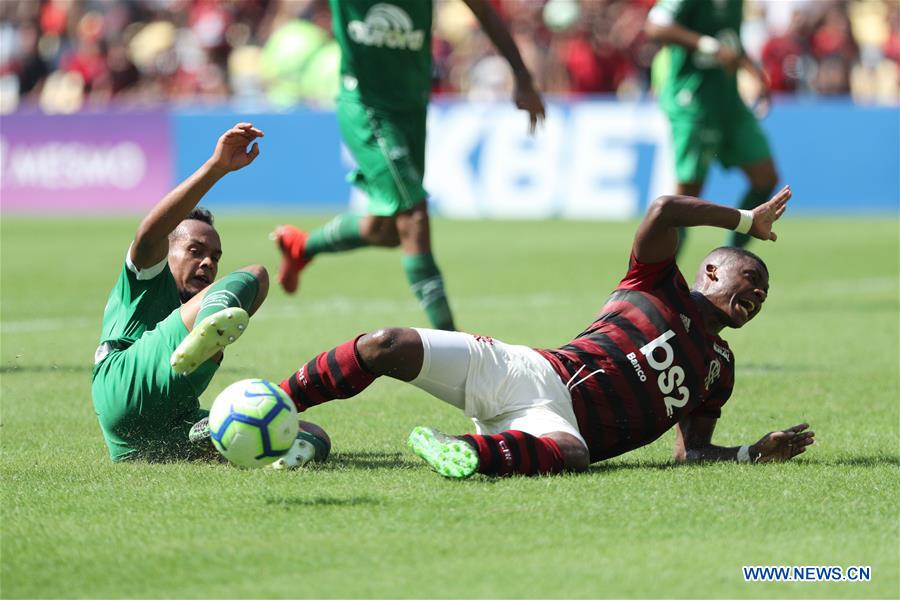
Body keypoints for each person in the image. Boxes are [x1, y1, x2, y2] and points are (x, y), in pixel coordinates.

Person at [254, 186, 814, 478]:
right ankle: (274, 404)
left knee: (572, 454)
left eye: (764, 293)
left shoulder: (720, 370)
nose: (758, 294)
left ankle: (464, 452)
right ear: (711, 271)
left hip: (553, 426)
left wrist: (749, 453)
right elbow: (665, 208)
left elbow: (689, 455)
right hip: (531, 371)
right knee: (385, 345)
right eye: (750, 277)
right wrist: (746, 223)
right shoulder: (654, 283)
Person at [273, 0, 546, 331]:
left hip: (412, 107)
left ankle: (303, 246)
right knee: (414, 218)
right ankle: (454, 347)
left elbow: (485, 12)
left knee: (385, 230)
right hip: (366, 107)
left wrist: (522, 76)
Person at [91, 123, 329, 465]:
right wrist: (215, 169)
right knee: (256, 275)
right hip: (125, 381)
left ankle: (270, 455)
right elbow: (148, 234)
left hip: (153, 434)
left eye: (214, 258)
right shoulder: (144, 279)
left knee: (312, 434)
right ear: (168, 252)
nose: (207, 263)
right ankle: (206, 331)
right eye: (195, 250)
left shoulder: (198, 297)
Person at [645, 0, 779, 250]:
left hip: (728, 101)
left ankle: (732, 254)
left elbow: (730, 41)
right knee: (686, 200)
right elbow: (655, 26)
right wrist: (708, 45)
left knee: (765, 177)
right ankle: (660, 279)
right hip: (693, 100)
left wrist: (753, 72)